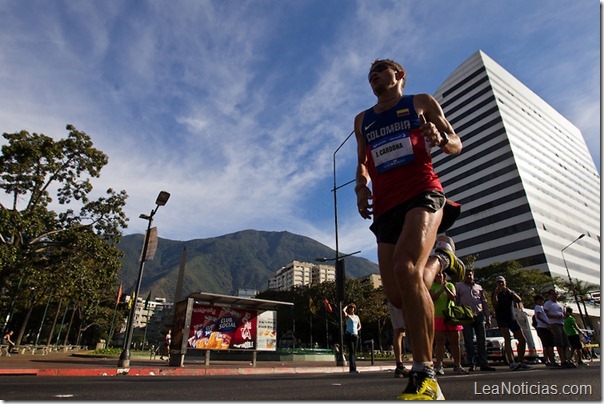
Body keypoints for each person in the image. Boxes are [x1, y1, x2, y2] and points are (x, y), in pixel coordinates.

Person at [354, 58, 465, 400]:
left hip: (423, 192)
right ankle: (442, 259)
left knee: (405, 268)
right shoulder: (362, 120)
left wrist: (441, 139)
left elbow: (455, 142)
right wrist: (361, 187)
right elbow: (362, 159)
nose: (373, 77)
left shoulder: (420, 102)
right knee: (398, 295)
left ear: (399, 76)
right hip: (386, 206)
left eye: (380, 72)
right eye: (370, 75)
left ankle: (425, 374)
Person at [455, 268, 496, 371]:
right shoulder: (459, 287)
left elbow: (484, 302)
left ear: (473, 276)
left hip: (479, 315)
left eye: (470, 275)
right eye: (467, 275)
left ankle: (484, 363)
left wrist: (488, 317)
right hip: (466, 316)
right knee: (468, 341)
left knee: (481, 341)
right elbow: (456, 302)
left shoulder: (479, 287)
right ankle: (472, 363)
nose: (469, 276)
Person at [430, 272, 468, 375]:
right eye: (437, 274)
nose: (439, 276)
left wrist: (446, 288)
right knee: (439, 341)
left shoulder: (450, 285)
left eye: (441, 274)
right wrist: (441, 288)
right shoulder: (432, 286)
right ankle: (439, 365)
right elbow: (433, 297)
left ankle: (457, 365)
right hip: (438, 316)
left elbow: (453, 297)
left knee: (455, 341)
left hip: (451, 315)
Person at [491, 276, 531, 370]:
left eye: (502, 282)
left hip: (512, 318)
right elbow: (494, 304)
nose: (500, 284)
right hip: (502, 319)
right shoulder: (495, 293)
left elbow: (518, 300)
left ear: (505, 282)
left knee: (522, 339)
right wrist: (496, 294)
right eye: (498, 282)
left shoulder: (509, 292)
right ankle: (511, 362)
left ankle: (520, 361)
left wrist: (509, 291)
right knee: (507, 339)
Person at [543, 289, 573, 368]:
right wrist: (556, 316)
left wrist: (564, 315)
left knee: (565, 343)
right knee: (559, 342)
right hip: (553, 324)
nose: (554, 296)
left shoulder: (560, 304)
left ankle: (567, 359)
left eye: (555, 294)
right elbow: (546, 314)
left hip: (561, 324)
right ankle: (562, 360)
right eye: (552, 294)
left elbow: (564, 314)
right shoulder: (547, 304)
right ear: (549, 295)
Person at [533, 294, 557, 367]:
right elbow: (539, 316)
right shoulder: (538, 307)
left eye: (542, 300)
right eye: (540, 300)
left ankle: (548, 360)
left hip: (544, 327)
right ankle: (551, 361)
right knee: (549, 345)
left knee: (546, 345)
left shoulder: (541, 307)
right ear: (536, 301)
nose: (541, 302)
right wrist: (547, 323)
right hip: (543, 327)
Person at [388, 302, 410, 378]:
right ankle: (419, 365)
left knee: (398, 331)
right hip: (402, 300)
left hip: (392, 300)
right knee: (410, 329)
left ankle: (399, 365)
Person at [343, 303, 361, 373]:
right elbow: (343, 311)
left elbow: (359, 325)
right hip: (349, 334)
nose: (352, 309)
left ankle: (354, 368)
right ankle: (352, 368)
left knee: (354, 352)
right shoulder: (348, 316)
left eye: (353, 308)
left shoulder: (357, 317)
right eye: (351, 308)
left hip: (355, 335)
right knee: (351, 352)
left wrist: (357, 329)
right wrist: (347, 306)